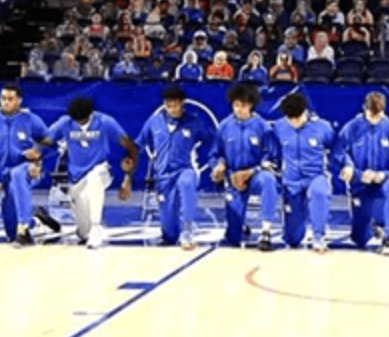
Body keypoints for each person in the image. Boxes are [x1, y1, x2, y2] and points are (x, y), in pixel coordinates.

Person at [0, 84, 58, 245]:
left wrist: (39, 157)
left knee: (18, 174)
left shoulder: (31, 120)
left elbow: (52, 144)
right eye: (3, 99)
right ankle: (34, 218)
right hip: (5, 174)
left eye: (10, 99)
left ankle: (23, 229)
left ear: (19, 101)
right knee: (10, 232)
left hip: (29, 169)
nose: (6, 102)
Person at [47, 97, 137, 249]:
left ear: (90, 114)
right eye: (77, 121)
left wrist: (127, 179)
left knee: (94, 179)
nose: (80, 123)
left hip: (101, 170)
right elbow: (44, 139)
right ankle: (87, 229)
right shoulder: (64, 123)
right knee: (83, 233)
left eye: (84, 120)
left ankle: (96, 227)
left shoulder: (105, 122)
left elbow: (130, 146)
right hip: (76, 179)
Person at [135, 86, 213, 250]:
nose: (171, 109)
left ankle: (187, 231)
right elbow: (140, 141)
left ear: (182, 103)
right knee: (169, 235)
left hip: (185, 169)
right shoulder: (154, 121)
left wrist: (210, 161)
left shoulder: (194, 122)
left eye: (175, 105)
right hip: (163, 176)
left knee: (187, 185)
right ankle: (172, 232)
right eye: (168, 105)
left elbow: (212, 141)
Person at [208, 84, 280, 250]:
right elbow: (214, 154)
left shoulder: (263, 126)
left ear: (251, 105)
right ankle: (239, 225)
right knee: (233, 237)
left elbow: (272, 158)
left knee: (269, 180)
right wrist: (219, 166)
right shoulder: (224, 126)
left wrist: (251, 171)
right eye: (236, 105)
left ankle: (266, 230)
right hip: (234, 178)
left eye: (244, 105)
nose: (240, 109)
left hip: (256, 175)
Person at [269, 94, 342, 253]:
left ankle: (318, 236)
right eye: (291, 119)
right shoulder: (279, 127)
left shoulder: (322, 127)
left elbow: (338, 149)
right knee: (293, 238)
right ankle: (292, 233)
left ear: (305, 112)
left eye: (298, 118)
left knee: (319, 192)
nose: (295, 122)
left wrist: (346, 165)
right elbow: (270, 151)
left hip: (316, 176)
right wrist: (266, 163)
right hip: (292, 181)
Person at [336, 92, 389, 255]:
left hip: (383, 178)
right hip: (360, 181)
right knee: (360, 239)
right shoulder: (352, 127)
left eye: (378, 115)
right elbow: (339, 151)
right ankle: (370, 228)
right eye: (371, 115)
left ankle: (388, 237)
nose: (375, 119)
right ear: (364, 109)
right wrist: (350, 168)